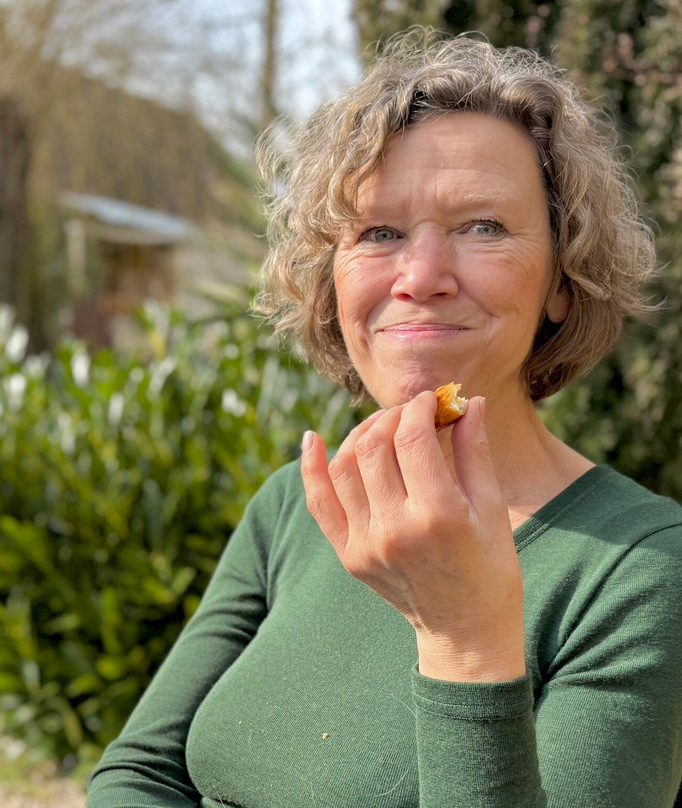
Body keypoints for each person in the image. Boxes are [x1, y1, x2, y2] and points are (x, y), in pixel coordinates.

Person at [85, 29, 682, 807]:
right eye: (378, 233)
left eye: (482, 227)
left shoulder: (641, 575)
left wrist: (467, 641)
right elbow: (139, 775)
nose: (421, 277)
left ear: (563, 280)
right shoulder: (292, 512)